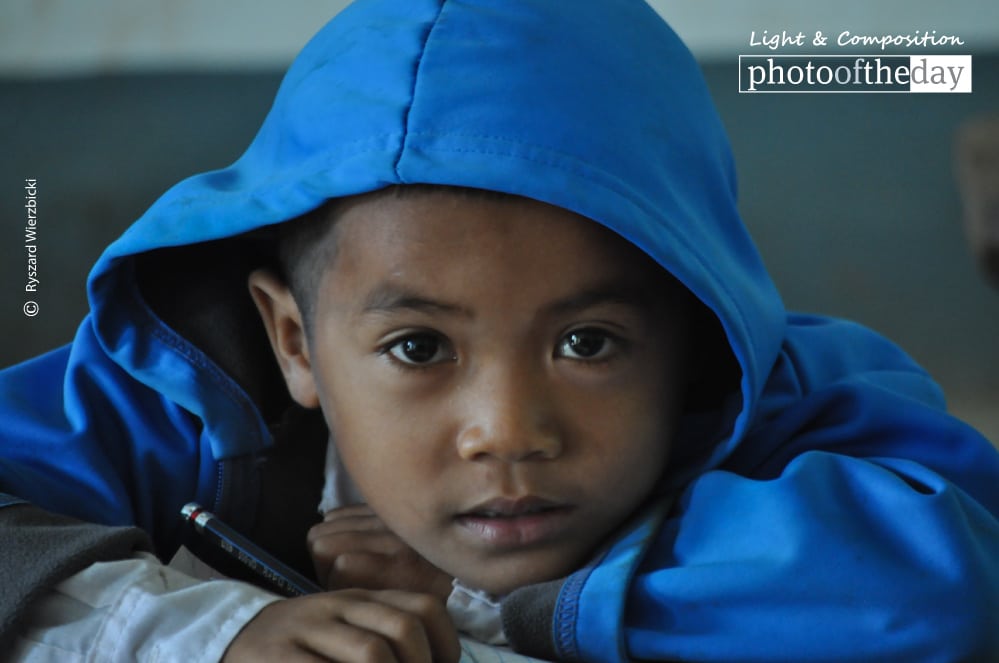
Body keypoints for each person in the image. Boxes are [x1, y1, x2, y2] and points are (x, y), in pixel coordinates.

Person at [1, 0, 997, 661]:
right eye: (419, 348)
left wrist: (495, 597)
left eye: (589, 343)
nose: (507, 430)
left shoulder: (790, 393)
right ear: (295, 342)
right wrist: (211, 634)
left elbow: (946, 588)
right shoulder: (187, 395)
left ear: (696, 321)